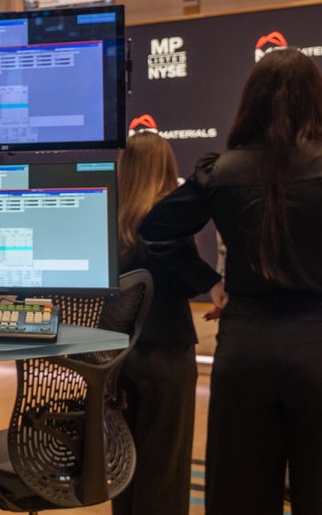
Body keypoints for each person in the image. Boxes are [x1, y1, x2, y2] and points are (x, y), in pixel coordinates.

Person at [139, 47, 322, 515]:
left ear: (250, 102)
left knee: (238, 499)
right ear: (318, 100)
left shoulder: (220, 172)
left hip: (245, 348)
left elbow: (155, 231)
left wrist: (209, 282)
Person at [112, 131, 221, 515]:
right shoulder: (167, 223)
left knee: (123, 466)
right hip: (167, 354)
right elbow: (185, 283)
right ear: (165, 167)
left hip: (116, 355)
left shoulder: (111, 220)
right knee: (165, 470)